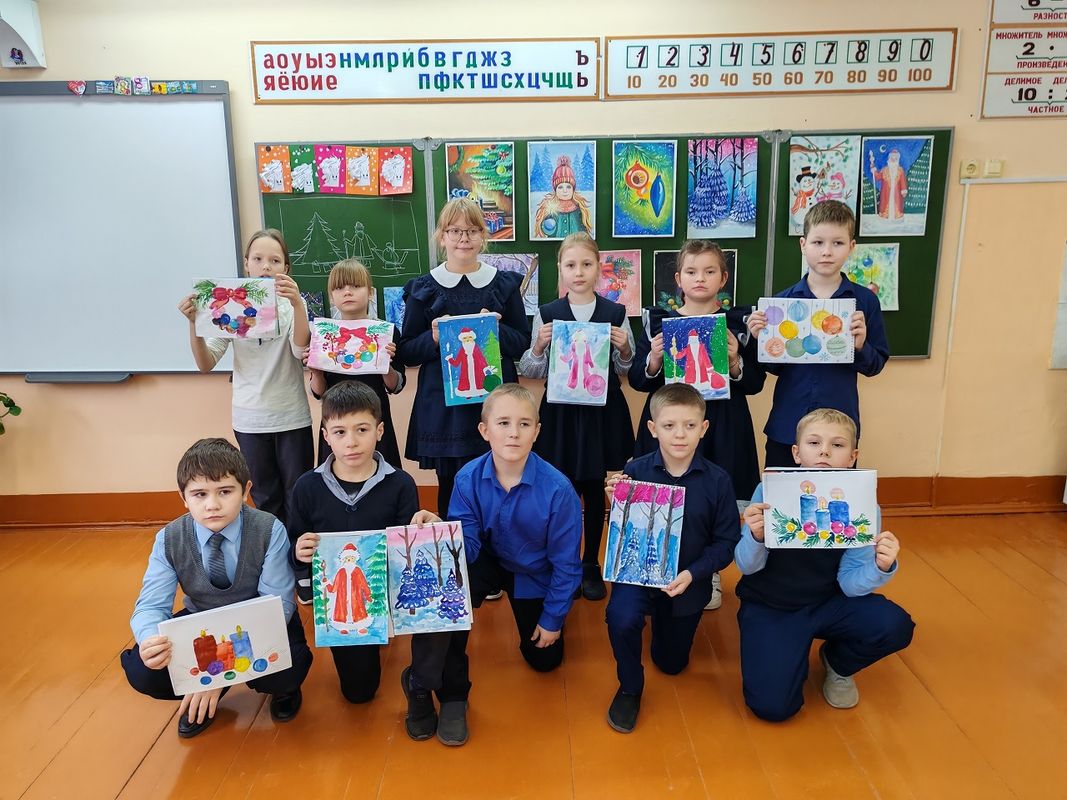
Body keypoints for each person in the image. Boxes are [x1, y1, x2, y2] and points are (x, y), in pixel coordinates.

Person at [401, 384, 582, 746]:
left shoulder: (559, 491)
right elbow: (465, 547)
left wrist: (552, 619)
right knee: (449, 601)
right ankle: (448, 692)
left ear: (536, 431)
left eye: (524, 424)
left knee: (545, 660)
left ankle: (545, 621)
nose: (513, 433)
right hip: (485, 558)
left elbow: (567, 565)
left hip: (532, 572)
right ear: (485, 430)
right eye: (503, 423)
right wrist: (442, 530)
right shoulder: (467, 478)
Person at [120, 438, 312, 738]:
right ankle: (206, 687)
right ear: (183, 497)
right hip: (202, 626)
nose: (212, 505)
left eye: (225, 491)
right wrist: (149, 641)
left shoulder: (269, 528)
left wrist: (218, 672)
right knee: (144, 671)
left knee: (289, 668)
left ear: (246, 491)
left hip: (259, 623)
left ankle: (262, 688)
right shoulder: (169, 538)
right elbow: (150, 606)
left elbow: (278, 605)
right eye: (199, 494)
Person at [734, 408, 914, 722]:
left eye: (837, 445)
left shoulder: (863, 505)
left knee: (894, 625)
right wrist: (755, 536)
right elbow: (746, 566)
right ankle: (788, 651)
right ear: (796, 453)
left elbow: (850, 583)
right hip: (772, 605)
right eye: (814, 443)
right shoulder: (768, 491)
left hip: (830, 602)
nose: (825, 452)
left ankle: (837, 662)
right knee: (773, 707)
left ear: (853, 456)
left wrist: (880, 567)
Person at [630, 240, 764, 610]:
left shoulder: (738, 324)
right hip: (671, 423)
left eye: (709, 271)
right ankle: (654, 566)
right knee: (663, 492)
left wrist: (735, 361)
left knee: (713, 495)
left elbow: (755, 382)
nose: (700, 278)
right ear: (678, 279)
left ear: (723, 277)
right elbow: (639, 381)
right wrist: (653, 359)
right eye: (691, 271)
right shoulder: (658, 322)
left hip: (721, 423)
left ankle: (708, 574)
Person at [603, 384, 740, 733]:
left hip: (687, 581)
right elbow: (622, 533)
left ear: (703, 428)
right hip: (638, 575)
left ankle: (664, 628)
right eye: (669, 426)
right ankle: (630, 686)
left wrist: (694, 574)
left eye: (690, 425)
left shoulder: (718, 481)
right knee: (621, 616)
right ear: (653, 429)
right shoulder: (635, 473)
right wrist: (614, 504)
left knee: (671, 663)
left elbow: (727, 543)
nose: (680, 434)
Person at [396, 197, 530, 522]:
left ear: (483, 236)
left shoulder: (503, 284)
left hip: (494, 405)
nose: (463, 238)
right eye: (455, 231)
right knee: (451, 486)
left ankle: (496, 549)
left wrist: (495, 331)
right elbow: (407, 350)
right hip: (445, 409)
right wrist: (433, 338)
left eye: (471, 230)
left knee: (499, 483)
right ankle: (454, 549)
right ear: (442, 237)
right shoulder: (423, 288)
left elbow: (522, 343)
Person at [519, 232, 635, 600]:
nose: (579, 272)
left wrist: (626, 350)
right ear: (560, 269)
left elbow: (627, 370)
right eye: (571, 265)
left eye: (586, 264)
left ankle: (590, 565)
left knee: (595, 487)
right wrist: (539, 346)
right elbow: (531, 370)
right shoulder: (548, 314)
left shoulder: (615, 313)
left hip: (602, 415)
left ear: (599, 267)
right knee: (562, 489)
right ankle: (564, 564)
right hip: (561, 416)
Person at [288, 382, 421, 704]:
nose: (351, 442)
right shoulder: (307, 487)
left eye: (362, 429)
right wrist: (298, 552)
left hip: (389, 593)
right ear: (326, 436)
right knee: (359, 693)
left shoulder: (401, 484)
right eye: (340, 432)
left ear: (379, 431)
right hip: (339, 605)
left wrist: (422, 534)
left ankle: (392, 642)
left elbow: (408, 550)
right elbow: (294, 541)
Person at [177, 230, 313, 529]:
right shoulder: (230, 304)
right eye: (258, 259)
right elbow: (205, 363)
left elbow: (299, 350)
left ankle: (299, 554)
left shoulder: (293, 305)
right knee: (265, 496)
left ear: (286, 268)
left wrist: (297, 305)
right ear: (246, 264)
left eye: (275, 260)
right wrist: (194, 325)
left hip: (292, 415)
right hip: (250, 419)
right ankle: (273, 552)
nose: (266, 266)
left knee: (299, 494)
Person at [747, 200, 889, 468]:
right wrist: (761, 341)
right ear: (803, 245)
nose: (827, 251)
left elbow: (876, 365)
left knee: (835, 492)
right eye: (818, 242)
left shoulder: (864, 302)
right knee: (782, 491)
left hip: (839, 430)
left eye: (838, 243)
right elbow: (772, 367)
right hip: (788, 426)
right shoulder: (783, 303)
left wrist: (860, 347)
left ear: (852, 247)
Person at [308, 258, 404, 471]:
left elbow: (395, 385)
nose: (347, 292)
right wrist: (316, 372)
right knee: (334, 475)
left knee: (381, 473)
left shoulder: (386, 331)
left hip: (374, 416)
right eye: (339, 288)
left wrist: (385, 364)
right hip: (336, 418)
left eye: (356, 286)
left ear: (370, 292)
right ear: (331, 296)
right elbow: (318, 392)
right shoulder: (323, 334)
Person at [532, 155, 594, 238]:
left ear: (573, 189)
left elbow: (583, 230)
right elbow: (546, 231)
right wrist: (548, 225)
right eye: (560, 187)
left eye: (568, 187)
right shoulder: (551, 208)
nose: (565, 191)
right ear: (555, 190)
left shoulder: (578, 208)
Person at [870, 148, 907, 220]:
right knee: (886, 203)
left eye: (895, 158)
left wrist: (904, 190)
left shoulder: (900, 170)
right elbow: (878, 177)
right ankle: (885, 216)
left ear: (897, 159)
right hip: (886, 192)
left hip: (896, 193)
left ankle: (896, 216)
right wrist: (873, 168)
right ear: (889, 158)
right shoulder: (885, 170)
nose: (894, 159)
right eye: (892, 157)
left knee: (896, 203)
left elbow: (903, 181)